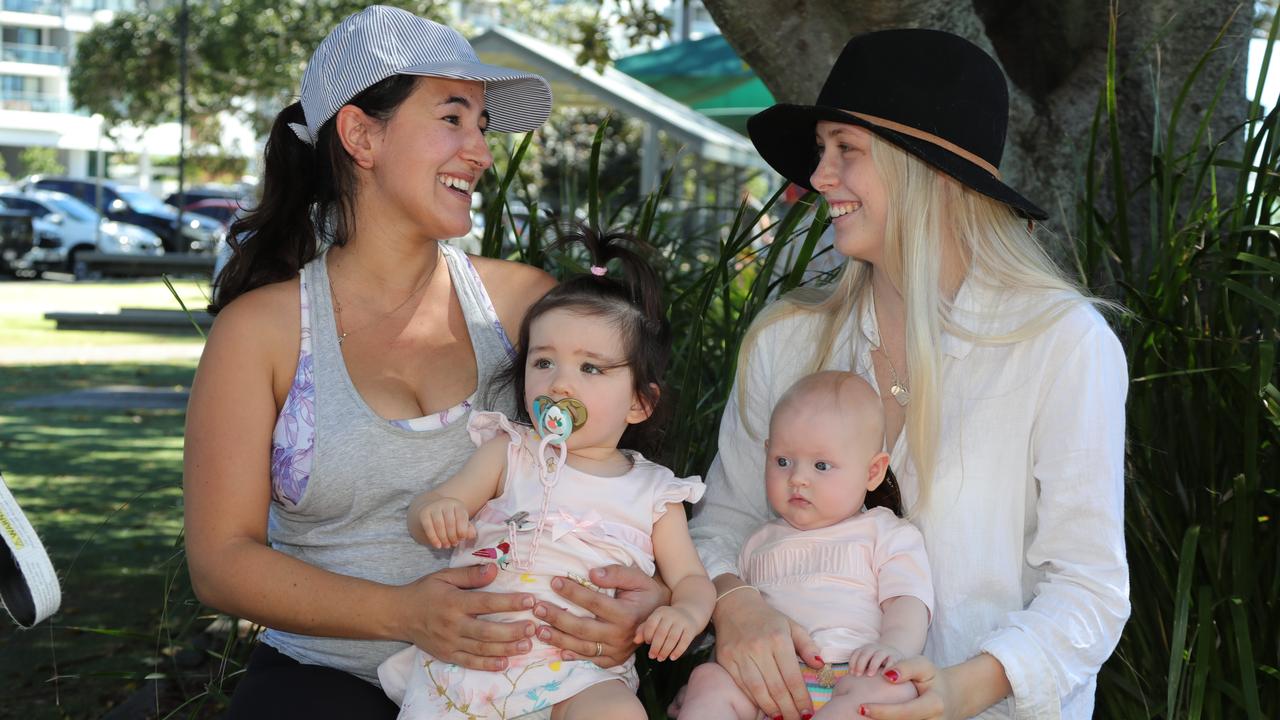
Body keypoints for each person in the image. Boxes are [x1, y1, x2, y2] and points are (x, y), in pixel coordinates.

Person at [182, 7, 667, 718]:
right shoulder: (261, 332)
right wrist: (404, 614)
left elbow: (621, 477)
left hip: (526, 684)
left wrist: (649, 595)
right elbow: (221, 562)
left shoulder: (522, 308)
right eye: (452, 118)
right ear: (361, 135)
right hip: (328, 680)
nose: (481, 151)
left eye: (482, 125)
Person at [687, 29, 1129, 720]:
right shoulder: (787, 338)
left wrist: (959, 690)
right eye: (821, 151)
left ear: (930, 172)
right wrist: (736, 605)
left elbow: (1089, 588)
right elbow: (726, 519)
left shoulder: (1062, 344)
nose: (817, 176)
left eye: (846, 151)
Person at [377, 228, 714, 719]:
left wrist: (685, 612)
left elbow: (691, 579)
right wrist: (438, 511)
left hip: (580, 675)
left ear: (640, 403)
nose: (559, 383)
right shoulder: (509, 453)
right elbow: (429, 506)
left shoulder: (656, 494)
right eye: (544, 362)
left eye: (591, 369)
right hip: (478, 661)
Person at [679, 370, 932, 719]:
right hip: (771, 682)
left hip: (853, 672)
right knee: (708, 679)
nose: (798, 477)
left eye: (821, 465)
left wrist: (893, 647)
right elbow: (740, 629)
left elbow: (908, 600)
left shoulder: (885, 533)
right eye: (783, 461)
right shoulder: (757, 542)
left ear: (873, 472)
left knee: (893, 689)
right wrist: (723, 668)